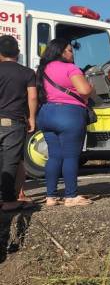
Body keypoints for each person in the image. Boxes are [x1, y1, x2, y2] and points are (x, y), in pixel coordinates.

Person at [36, 38, 93, 207]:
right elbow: (84, 90)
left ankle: (51, 196)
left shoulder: (42, 69)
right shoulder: (71, 68)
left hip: (46, 114)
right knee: (70, 156)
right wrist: (91, 87)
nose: (72, 53)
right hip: (69, 114)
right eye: (69, 50)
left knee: (54, 156)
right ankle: (71, 196)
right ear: (60, 51)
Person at [0, 35, 37, 212]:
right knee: (11, 161)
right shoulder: (27, 72)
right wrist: (32, 118)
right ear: (18, 52)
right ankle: (8, 200)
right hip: (14, 122)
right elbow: (33, 97)